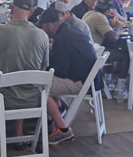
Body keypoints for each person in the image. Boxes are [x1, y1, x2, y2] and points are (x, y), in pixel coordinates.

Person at [0, 0, 48, 146]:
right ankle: (18, 135)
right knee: (22, 81)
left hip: (4, 99)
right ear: (33, 11)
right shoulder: (42, 36)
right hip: (33, 98)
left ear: (12, 7)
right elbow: (42, 71)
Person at [38, 8, 100, 144]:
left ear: (49, 25)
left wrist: (44, 67)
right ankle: (55, 114)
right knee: (48, 79)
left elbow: (61, 71)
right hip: (90, 78)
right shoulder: (70, 30)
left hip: (81, 82)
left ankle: (63, 129)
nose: (42, 29)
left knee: (41, 87)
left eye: (42, 26)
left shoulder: (62, 38)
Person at [83, 0, 127, 77]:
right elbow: (114, 38)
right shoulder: (100, 17)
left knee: (112, 50)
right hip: (94, 51)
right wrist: (117, 27)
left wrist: (109, 23)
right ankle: (121, 87)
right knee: (124, 55)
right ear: (108, 10)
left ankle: (107, 77)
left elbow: (99, 25)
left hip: (86, 49)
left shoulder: (89, 13)